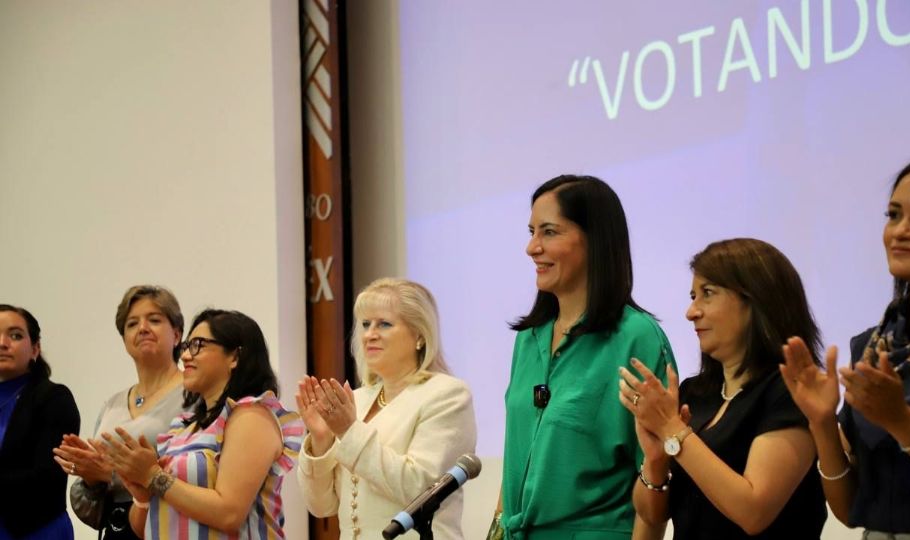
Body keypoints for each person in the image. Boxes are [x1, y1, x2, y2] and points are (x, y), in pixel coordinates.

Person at [781, 150, 910, 537]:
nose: (901, 231)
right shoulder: (874, 346)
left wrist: (902, 421)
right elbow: (849, 510)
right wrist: (823, 423)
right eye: (893, 215)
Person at [493, 175, 676, 539]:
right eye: (531, 231)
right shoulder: (529, 339)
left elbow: (655, 485)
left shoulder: (636, 338)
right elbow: (516, 464)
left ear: (595, 240)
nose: (532, 247)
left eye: (549, 232)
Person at [621, 238, 826, 539]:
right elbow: (651, 514)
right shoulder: (696, 393)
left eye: (707, 294)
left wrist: (673, 431)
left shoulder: (792, 393)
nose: (691, 312)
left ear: (756, 300)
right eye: (693, 296)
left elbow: (754, 511)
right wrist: (655, 459)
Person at [99, 308, 304, 539]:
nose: (185, 356)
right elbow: (144, 529)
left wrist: (154, 476)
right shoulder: (182, 427)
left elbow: (229, 513)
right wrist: (143, 497)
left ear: (235, 357)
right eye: (186, 346)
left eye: (198, 345)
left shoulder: (251, 416)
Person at [297, 277, 477, 539]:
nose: (370, 334)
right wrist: (321, 440)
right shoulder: (356, 399)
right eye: (366, 324)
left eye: (384, 324)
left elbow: (421, 488)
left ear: (419, 335)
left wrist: (349, 431)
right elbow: (321, 507)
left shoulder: (447, 394)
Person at [56, 285, 186, 539]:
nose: (143, 328)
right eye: (132, 324)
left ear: (178, 334)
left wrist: (110, 473)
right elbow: (94, 500)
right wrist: (91, 476)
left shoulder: (193, 395)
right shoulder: (113, 404)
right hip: (117, 528)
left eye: (155, 320)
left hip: (170, 526)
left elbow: (198, 471)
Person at [0, 304, 81, 538]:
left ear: (35, 349)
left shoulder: (53, 398)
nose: (3, 343)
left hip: (36, 529)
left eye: (15, 335)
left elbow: (47, 478)